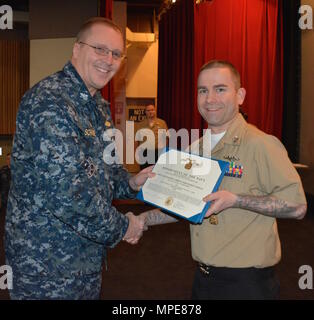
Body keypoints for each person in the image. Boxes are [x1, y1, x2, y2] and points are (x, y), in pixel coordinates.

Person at [5, 17, 152, 300]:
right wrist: (123, 227)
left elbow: (107, 173)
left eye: (116, 54)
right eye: (99, 49)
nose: (108, 60)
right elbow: (68, 194)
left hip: (83, 262)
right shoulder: (49, 102)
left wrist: (132, 182)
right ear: (76, 50)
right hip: (45, 268)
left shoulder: (98, 107)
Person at [140, 60, 307, 300]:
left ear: (240, 95)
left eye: (220, 89)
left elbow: (298, 207)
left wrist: (236, 200)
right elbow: (182, 205)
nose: (210, 99)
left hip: (247, 285)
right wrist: (141, 220)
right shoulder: (195, 150)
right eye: (202, 90)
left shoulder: (261, 145)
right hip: (203, 280)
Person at [136, 104, 169, 170]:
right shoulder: (140, 124)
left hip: (158, 152)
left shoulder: (162, 123)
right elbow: (137, 141)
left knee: (158, 172)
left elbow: (166, 138)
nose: (150, 112)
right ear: (145, 112)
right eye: (148, 110)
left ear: (155, 111)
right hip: (145, 153)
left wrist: (164, 151)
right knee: (145, 173)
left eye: (152, 110)